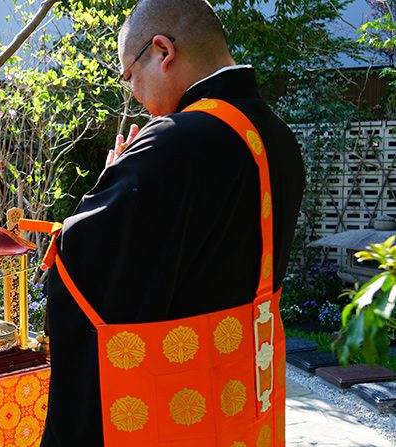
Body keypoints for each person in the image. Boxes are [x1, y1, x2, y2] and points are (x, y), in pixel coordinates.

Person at [38, 0, 305, 445]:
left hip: (177, 410)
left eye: (129, 76)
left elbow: (79, 271)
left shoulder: (172, 144)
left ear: (163, 51)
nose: (134, 93)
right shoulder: (278, 136)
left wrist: (108, 185)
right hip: (241, 397)